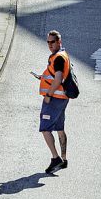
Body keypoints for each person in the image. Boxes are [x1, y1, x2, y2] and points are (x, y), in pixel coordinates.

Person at [36, 30, 70, 174]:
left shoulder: (58, 58)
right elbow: (54, 76)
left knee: (45, 128)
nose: (50, 44)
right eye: (48, 42)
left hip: (54, 99)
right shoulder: (62, 55)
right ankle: (64, 159)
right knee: (60, 128)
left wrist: (48, 94)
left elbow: (58, 79)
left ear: (59, 42)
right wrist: (43, 78)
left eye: (53, 42)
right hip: (62, 99)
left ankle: (55, 158)